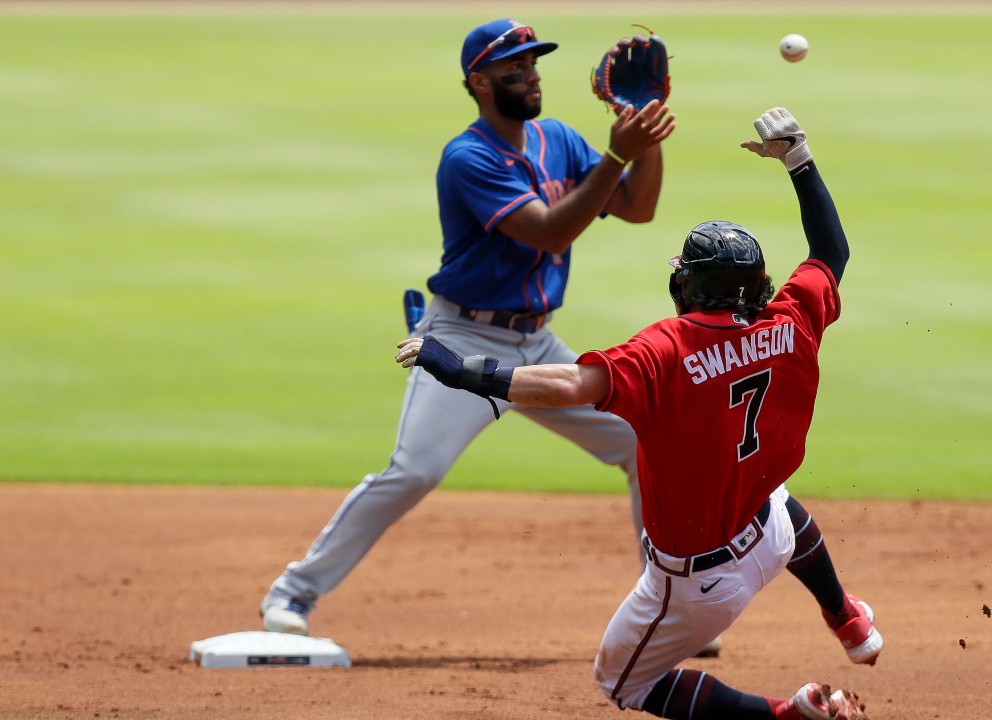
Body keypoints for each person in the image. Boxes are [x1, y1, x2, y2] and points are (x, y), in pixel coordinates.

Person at [397, 107, 881, 720]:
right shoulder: (792, 319)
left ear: (692, 287)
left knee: (623, 684)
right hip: (769, 531)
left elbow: (568, 384)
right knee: (778, 498)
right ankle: (848, 619)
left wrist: (463, 369)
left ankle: (787, 714)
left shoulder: (666, 351)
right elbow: (830, 251)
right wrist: (798, 158)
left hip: (700, 584)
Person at [259, 18, 675, 638]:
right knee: (414, 472)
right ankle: (293, 592)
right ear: (480, 82)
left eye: (534, 66)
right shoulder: (469, 156)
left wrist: (642, 130)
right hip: (463, 339)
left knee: (641, 443)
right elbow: (548, 230)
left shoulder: (557, 139)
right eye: (515, 70)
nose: (531, 77)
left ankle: (662, 604)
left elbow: (638, 208)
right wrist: (616, 151)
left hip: (537, 343)